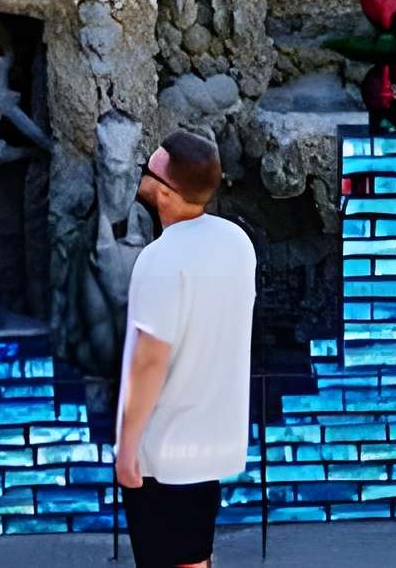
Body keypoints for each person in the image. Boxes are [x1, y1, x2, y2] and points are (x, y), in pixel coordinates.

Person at [114, 134, 255, 568]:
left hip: (165, 449)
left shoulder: (160, 258)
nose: (142, 175)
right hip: (213, 442)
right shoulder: (236, 242)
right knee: (196, 555)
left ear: (166, 193)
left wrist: (126, 446)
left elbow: (149, 358)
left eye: (149, 171)